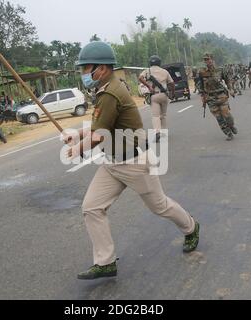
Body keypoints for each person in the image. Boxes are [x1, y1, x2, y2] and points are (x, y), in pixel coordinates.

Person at [64, 41, 200, 280]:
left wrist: (77, 149)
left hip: (135, 162)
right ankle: (105, 262)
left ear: (103, 68)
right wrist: (76, 135)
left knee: (160, 206)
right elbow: (101, 126)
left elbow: (98, 135)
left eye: (86, 68)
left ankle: (191, 226)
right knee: (92, 207)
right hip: (113, 163)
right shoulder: (105, 88)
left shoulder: (110, 92)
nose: (84, 73)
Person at [198, 53, 238, 141]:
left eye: (208, 59)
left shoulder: (220, 70)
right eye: (205, 60)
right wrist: (202, 96)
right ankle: (228, 133)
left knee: (227, 115)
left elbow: (227, 80)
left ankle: (231, 126)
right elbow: (200, 85)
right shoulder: (202, 72)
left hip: (221, 96)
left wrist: (230, 89)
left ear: (212, 59)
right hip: (210, 98)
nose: (206, 61)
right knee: (219, 118)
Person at [138, 55, 175, 143]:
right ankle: (164, 133)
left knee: (155, 116)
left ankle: (157, 132)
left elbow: (140, 78)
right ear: (159, 62)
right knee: (163, 115)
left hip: (154, 95)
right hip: (164, 95)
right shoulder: (164, 71)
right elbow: (172, 83)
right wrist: (172, 93)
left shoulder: (148, 71)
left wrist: (149, 86)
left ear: (150, 62)